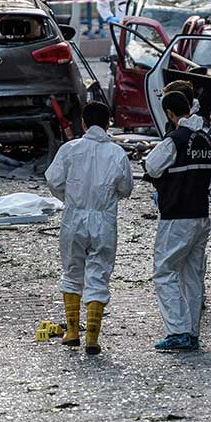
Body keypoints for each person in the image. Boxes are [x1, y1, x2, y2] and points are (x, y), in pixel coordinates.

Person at [45, 102, 133, 355]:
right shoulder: (117, 153)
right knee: (99, 274)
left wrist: (71, 199)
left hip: (74, 217)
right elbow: (126, 189)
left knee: (72, 273)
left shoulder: (69, 149)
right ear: (108, 124)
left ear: (83, 123)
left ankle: (72, 333)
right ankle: (92, 338)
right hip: (103, 219)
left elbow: (53, 180)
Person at [143, 92, 211, 351]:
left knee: (164, 271)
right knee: (192, 275)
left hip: (177, 215)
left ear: (170, 114)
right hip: (200, 215)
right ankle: (192, 331)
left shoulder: (175, 140)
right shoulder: (205, 138)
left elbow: (151, 166)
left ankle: (178, 331)